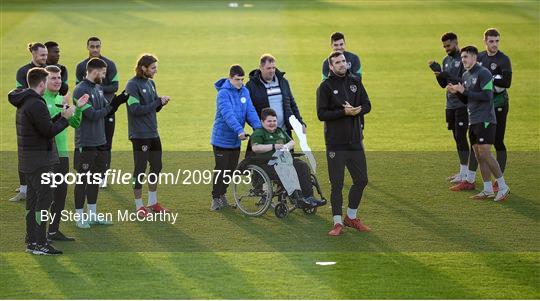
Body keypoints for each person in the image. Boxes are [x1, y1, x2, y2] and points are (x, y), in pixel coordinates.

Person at [8, 67, 76, 255]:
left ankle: (31, 241)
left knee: (33, 200)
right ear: (41, 83)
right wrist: (65, 120)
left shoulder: (26, 101)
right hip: (40, 161)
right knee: (44, 200)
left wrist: (61, 116)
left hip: (29, 160)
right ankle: (40, 243)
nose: (50, 84)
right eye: (47, 81)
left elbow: (42, 125)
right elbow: (48, 132)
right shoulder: (36, 104)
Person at [317, 51, 371, 236]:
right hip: (335, 144)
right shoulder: (325, 87)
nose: (341, 64)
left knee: (362, 180)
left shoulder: (355, 82)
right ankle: (337, 222)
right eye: (337, 62)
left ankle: (351, 217)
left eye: (343, 61)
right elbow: (321, 114)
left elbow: (368, 104)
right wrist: (343, 112)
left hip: (355, 141)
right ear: (331, 67)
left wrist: (358, 110)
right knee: (337, 184)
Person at [447, 46, 510, 202]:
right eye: (462, 58)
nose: (463, 60)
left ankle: (502, 186)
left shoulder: (484, 73)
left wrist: (464, 91)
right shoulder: (466, 75)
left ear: (474, 57)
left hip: (486, 120)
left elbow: (487, 96)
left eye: (466, 57)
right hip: (473, 119)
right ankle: (487, 189)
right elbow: (468, 100)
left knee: (485, 154)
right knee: (478, 156)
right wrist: (458, 93)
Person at [72, 58, 124, 228]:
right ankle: (79, 217)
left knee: (94, 179)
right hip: (86, 143)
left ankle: (92, 215)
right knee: (82, 180)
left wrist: (117, 102)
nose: (105, 75)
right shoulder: (80, 90)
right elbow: (93, 115)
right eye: (103, 72)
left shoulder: (98, 88)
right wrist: (112, 106)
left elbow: (106, 108)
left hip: (100, 141)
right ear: (95, 71)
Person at [43, 65, 88, 241]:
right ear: (44, 81)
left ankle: (53, 231)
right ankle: (39, 233)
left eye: (59, 77)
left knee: (60, 195)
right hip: (46, 156)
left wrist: (78, 108)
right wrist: (63, 112)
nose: (57, 81)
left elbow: (75, 123)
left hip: (62, 156)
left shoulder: (63, 99)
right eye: (53, 78)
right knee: (45, 197)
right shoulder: (41, 101)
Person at [428, 32, 478, 190]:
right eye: (444, 46)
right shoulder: (446, 59)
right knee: (457, 137)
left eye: (448, 46)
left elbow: (462, 81)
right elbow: (443, 84)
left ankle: (467, 174)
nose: (446, 49)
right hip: (450, 104)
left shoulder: (463, 59)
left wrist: (444, 73)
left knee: (462, 136)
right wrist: (437, 73)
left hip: (462, 104)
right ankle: (462, 171)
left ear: (456, 43)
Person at [210, 65, 261, 211]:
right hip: (221, 140)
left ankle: (222, 195)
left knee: (231, 170)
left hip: (235, 141)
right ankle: (215, 198)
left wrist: (258, 129)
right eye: (237, 79)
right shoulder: (223, 94)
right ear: (230, 78)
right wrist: (239, 130)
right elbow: (228, 115)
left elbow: (250, 111)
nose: (240, 82)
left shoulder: (245, 91)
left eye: (242, 79)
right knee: (221, 169)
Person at [125, 54, 171, 217]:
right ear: (143, 68)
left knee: (157, 166)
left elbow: (153, 107)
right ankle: (139, 206)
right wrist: (156, 102)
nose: (155, 71)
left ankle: (152, 203)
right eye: (153, 68)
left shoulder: (151, 83)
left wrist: (160, 103)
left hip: (152, 132)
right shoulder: (131, 85)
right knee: (140, 169)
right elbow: (135, 109)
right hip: (139, 134)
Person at [251, 108, 324, 207]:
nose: (272, 123)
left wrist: (286, 146)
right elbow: (255, 148)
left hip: (284, 160)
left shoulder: (280, 131)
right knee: (286, 168)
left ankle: (309, 197)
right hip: (268, 164)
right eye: (269, 121)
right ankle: (297, 198)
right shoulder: (258, 133)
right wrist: (273, 146)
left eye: (274, 121)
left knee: (302, 165)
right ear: (262, 122)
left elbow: (292, 142)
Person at [75, 37, 119, 188]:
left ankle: (103, 175)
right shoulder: (81, 66)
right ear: (87, 47)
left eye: (97, 46)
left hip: (106, 108)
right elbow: (78, 87)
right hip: (92, 110)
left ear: (101, 47)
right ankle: (87, 173)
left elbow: (115, 86)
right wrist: (94, 89)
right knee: (89, 143)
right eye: (92, 46)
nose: (95, 49)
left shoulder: (110, 64)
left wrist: (97, 90)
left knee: (106, 143)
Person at [10, 42, 48, 202]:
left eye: (46, 55)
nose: (45, 58)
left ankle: (43, 186)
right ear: (33, 53)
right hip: (29, 113)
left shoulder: (49, 69)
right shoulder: (23, 71)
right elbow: (20, 93)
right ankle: (24, 189)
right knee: (25, 151)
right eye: (42, 55)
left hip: (44, 110)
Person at [477, 28, 512, 191]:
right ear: (485, 41)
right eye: (491, 41)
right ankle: (479, 180)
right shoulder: (480, 57)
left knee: (498, 141)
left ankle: (499, 179)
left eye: (497, 40)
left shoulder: (503, 59)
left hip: (499, 105)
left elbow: (507, 83)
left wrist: (490, 78)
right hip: (483, 107)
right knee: (480, 143)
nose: (494, 44)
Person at [246, 54, 306, 136]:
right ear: (261, 68)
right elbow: (247, 110)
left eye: (273, 68)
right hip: (264, 135)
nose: (272, 71)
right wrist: (258, 127)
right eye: (269, 68)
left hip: (285, 133)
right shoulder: (251, 86)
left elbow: (292, 104)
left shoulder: (283, 82)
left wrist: (300, 122)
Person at [322, 32, 366, 131]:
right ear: (331, 45)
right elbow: (325, 85)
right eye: (336, 45)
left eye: (341, 44)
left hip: (354, 103)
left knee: (358, 137)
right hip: (337, 108)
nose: (339, 47)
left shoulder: (354, 58)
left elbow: (358, 80)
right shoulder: (326, 63)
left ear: (345, 44)